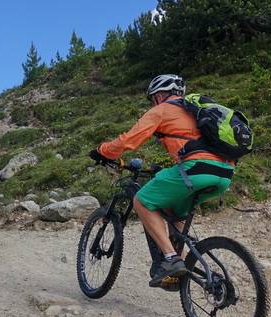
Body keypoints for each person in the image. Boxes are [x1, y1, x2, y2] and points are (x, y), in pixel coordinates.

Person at [89, 74, 236, 288]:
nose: (153, 102)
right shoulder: (195, 111)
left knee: (142, 200)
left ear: (158, 95)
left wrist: (103, 151)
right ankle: (185, 271)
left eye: (152, 98)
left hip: (196, 169)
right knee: (174, 213)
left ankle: (170, 259)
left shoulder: (162, 110)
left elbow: (129, 140)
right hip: (225, 172)